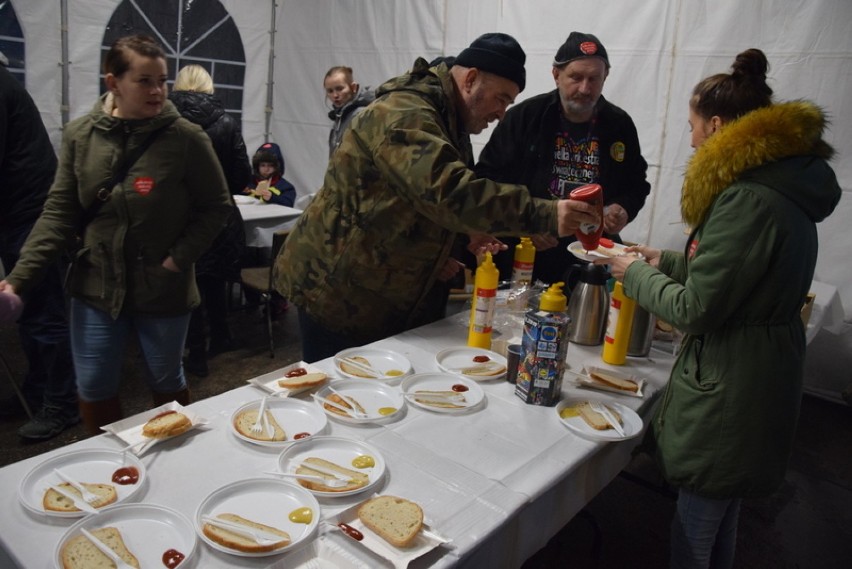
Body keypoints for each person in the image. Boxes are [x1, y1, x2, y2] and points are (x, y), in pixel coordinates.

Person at [601, 49, 840, 568]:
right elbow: (736, 276)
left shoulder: (747, 199)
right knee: (721, 511)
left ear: (715, 125)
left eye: (691, 127)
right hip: (760, 367)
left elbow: (697, 309)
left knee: (695, 530)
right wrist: (661, 258)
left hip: (735, 380)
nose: (688, 140)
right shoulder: (781, 185)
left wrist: (633, 273)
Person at [274, 32, 600, 362]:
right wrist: (549, 214)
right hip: (337, 292)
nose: (502, 113)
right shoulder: (406, 114)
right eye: (501, 98)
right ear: (471, 80)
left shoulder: (446, 117)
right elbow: (449, 192)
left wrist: (457, 237)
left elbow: (412, 199)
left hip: (373, 290)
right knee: (341, 402)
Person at [0, 34, 232, 433]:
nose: (158, 90)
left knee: (165, 380)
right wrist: (17, 281)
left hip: (163, 288)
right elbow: (59, 212)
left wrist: (177, 259)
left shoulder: (186, 138)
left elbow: (216, 207)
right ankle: (111, 473)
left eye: (162, 80)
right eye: (144, 81)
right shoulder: (81, 136)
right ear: (113, 83)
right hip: (95, 287)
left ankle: (179, 463)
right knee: (93, 386)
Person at [476, 31, 650, 286]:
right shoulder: (525, 117)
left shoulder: (619, 124)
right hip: (527, 256)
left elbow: (637, 184)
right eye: (576, 77)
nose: (585, 88)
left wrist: (623, 208)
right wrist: (527, 224)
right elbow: (487, 181)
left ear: (606, 77)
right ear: (556, 75)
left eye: (594, 79)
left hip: (590, 257)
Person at [0, 62, 79, 440]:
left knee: (44, 316)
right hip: (17, 213)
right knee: (31, 314)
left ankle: (63, 403)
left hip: (31, 215)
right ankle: (37, 389)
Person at [170, 64, 251, 376]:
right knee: (214, 278)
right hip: (218, 215)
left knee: (187, 284)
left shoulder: (166, 121)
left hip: (179, 216)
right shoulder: (227, 122)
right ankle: (221, 337)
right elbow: (242, 173)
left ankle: (196, 353)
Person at [324, 65, 375, 157]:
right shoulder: (340, 117)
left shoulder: (361, 114)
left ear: (353, 87)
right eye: (330, 91)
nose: (335, 95)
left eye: (339, 89)